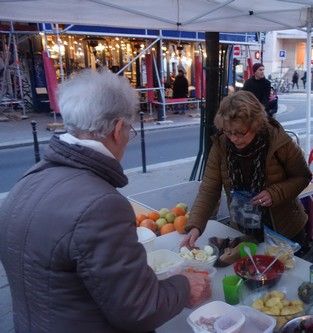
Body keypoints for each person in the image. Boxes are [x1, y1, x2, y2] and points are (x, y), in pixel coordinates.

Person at [0, 70, 211, 332]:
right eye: (129, 130)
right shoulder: (101, 205)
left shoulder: (26, 181)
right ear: (118, 129)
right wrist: (184, 285)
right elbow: (139, 308)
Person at [180, 91, 312, 250]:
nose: (233, 138)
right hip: (242, 231)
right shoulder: (221, 145)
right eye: (228, 132)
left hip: (284, 231)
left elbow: (303, 176)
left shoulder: (279, 142)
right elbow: (209, 190)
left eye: (240, 132)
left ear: (256, 124)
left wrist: (274, 193)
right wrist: (196, 225)